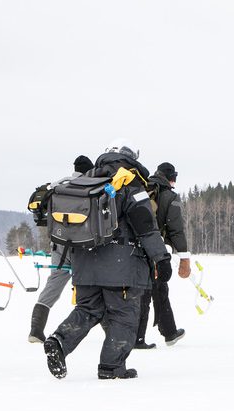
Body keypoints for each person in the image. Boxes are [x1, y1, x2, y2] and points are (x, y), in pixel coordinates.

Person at [42, 141, 171, 380]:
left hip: (84, 263)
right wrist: (161, 257)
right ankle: (111, 367)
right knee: (124, 316)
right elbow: (145, 225)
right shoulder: (129, 182)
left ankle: (59, 342)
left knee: (88, 309)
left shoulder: (89, 178)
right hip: (121, 267)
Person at [28, 154, 94, 343]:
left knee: (54, 284)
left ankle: (36, 329)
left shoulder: (59, 186)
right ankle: (110, 333)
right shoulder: (88, 186)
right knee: (91, 288)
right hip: (82, 246)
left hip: (58, 243)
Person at [135, 161, 189, 349]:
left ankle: (168, 331)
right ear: (171, 178)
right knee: (153, 290)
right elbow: (176, 229)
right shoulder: (168, 196)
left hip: (135, 248)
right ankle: (140, 338)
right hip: (156, 249)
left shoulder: (140, 188)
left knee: (150, 289)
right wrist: (184, 256)